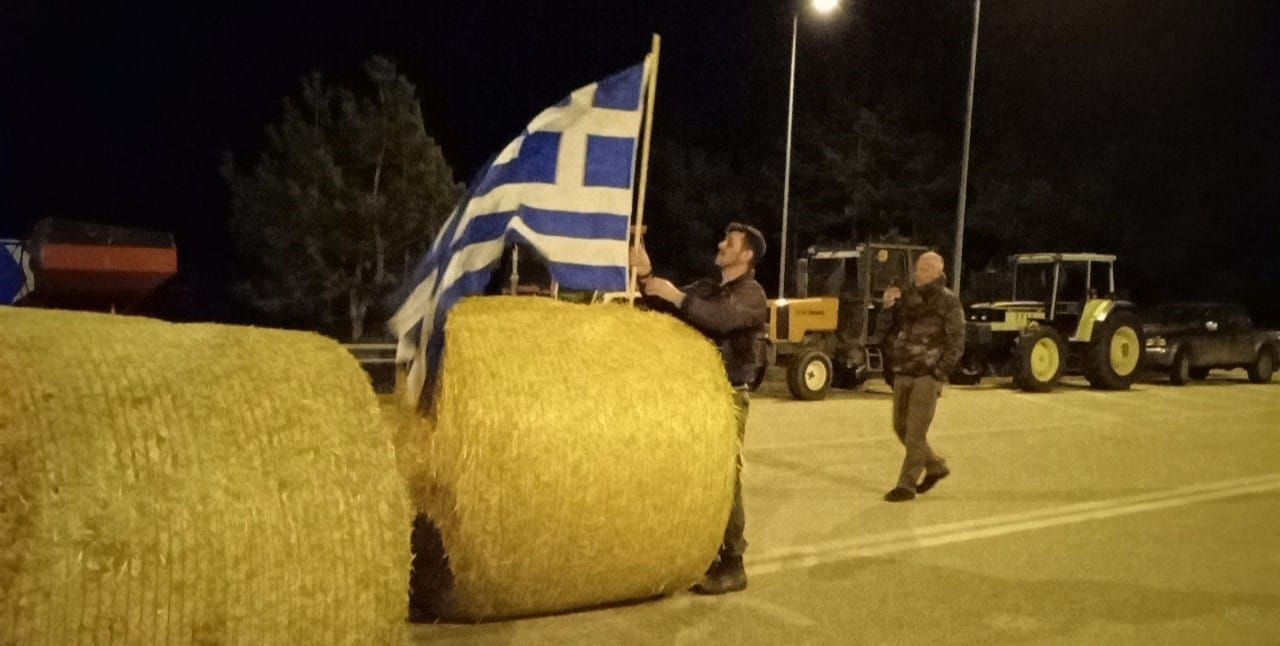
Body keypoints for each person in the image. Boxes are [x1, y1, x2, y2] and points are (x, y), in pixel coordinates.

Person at [631, 222, 769, 594]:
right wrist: (646, 273)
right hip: (696, 396)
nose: (721, 244)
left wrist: (677, 297)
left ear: (747, 255)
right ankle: (703, 549)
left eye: (731, 242)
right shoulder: (708, 288)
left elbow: (718, 319)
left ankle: (733, 562)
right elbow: (663, 302)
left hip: (728, 395)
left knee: (726, 478)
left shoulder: (752, 295)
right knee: (698, 476)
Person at [877, 251, 965, 502]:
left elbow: (957, 340)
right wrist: (886, 308)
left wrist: (940, 371)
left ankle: (906, 485)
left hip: (927, 374)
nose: (920, 273)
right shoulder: (907, 297)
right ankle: (935, 465)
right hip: (903, 369)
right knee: (900, 427)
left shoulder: (948, 302)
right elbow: (885, 330)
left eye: (926, 269)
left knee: (915, 432)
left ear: (938, 273)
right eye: (919, 268)